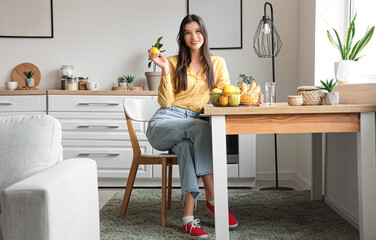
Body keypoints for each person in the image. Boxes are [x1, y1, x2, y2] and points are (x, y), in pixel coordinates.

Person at [146, 14, 263, 238]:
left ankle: (187, 219)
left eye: (198, 31)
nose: (194, 36)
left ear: (204, 34)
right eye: (188, 32)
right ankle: (214, 201)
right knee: (200, 128)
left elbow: (227, 96)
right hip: (164, 123)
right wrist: (162, 69)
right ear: (182, 37)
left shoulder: (217, 63)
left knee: (187, 147)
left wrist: (249, 98)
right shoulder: (171, 62)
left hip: (190, 129)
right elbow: (166, 102)